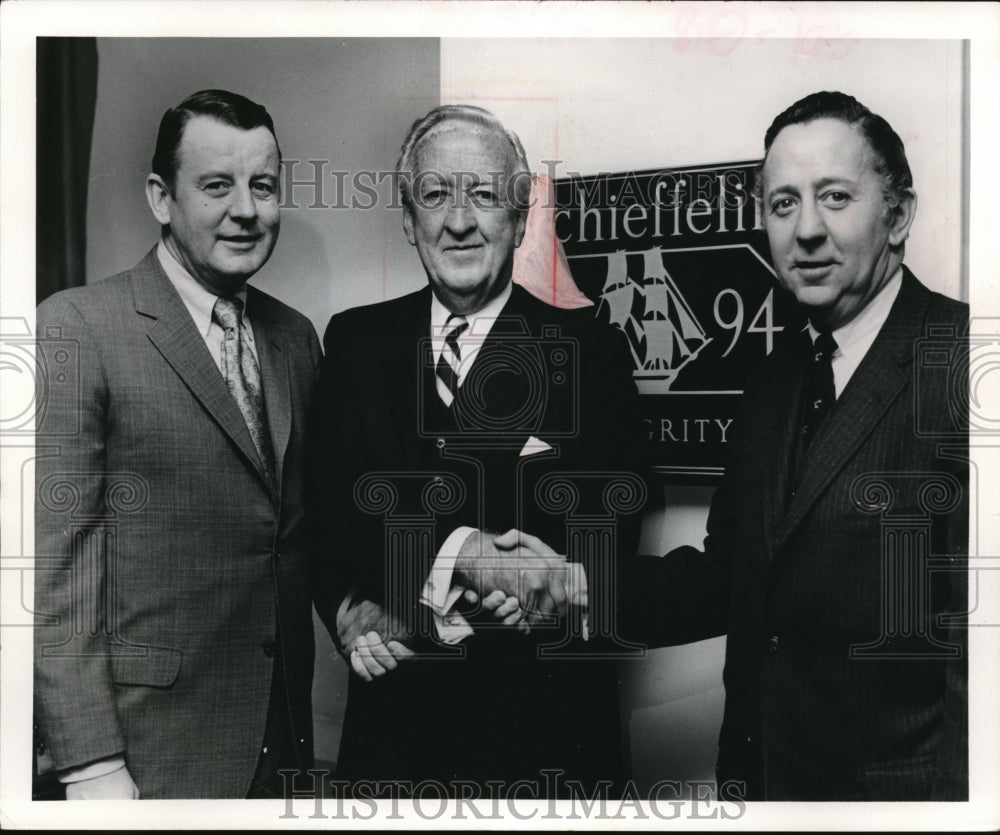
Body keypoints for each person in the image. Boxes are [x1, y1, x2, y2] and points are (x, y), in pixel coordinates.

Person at [618, 91, 968, 801]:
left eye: (834, 197)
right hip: (759, 788)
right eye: (783, 204)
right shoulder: (773, 381)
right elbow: (730, 580)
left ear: (898, 215)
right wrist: (569, 585)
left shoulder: (967, 365)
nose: (805, 230)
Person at [308, 104, 646, 795]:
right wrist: (347, 610)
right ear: (408, 220)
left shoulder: (590, 352)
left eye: (485, 195)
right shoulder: (355, 342)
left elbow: (610, 525)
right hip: (392, 744)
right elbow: (327, 509)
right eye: (435, 195)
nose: (459, 221)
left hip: (545, 744)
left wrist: (533, 586)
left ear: (520, 220)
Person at [33, 89, 321, 799]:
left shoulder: (295, 339)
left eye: (263, 186)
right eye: (217, 186)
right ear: (161, 198)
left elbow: (300, 530)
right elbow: (50, 568)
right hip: (143, 755)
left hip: (281, 749)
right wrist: (90, 763)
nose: (246, 210)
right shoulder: (76, 326)